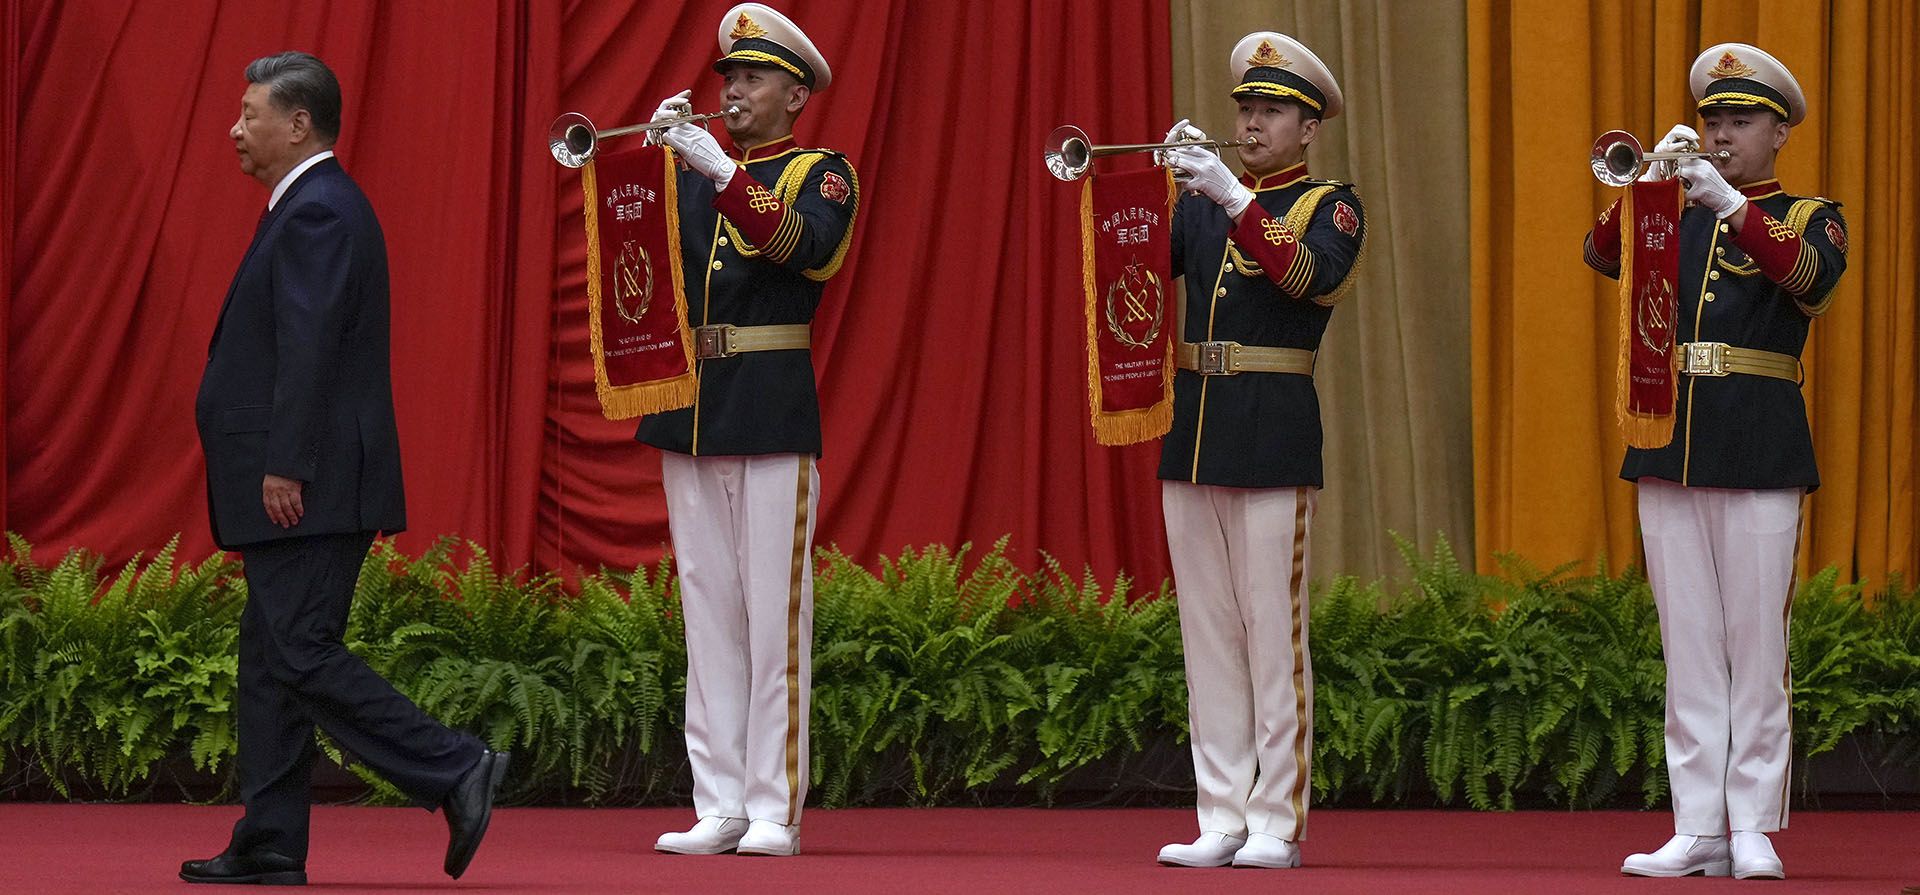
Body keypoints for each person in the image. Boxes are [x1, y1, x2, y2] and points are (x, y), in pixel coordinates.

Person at [184, 51, 507, 886]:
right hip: (305, 479)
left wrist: (285, 461)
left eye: (250, 112)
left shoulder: (319, 210)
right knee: (271, 657)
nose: (235, 127)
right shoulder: (306, 206)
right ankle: (273, 839)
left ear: (297, 124)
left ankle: (455, 766)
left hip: (309, 482)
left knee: (298, 650)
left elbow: (311, 347)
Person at [1583, 43, 1847, 881]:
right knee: (1689, 643)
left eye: (1741, 121)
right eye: (1714, 121)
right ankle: (1696, 824)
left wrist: (1729, 202)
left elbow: (1810, 277)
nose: (1723, 135)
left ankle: (1753, 825)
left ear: (1779, 132)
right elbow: (1599, 252)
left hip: (1760, 442)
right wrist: (1648, 181)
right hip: (1669, 441)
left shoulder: (1807, 213)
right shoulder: (1674, 211)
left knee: (1755, 646)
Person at [641, 3, 859, 859]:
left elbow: (803, 247)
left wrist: (717, 169)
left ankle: (775, 803)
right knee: (709, 611)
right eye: (728, 77)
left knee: (775, 615)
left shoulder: (822, 171)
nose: (732, 90)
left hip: (769, 403)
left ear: (794, 93)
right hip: (693, 400)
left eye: (753, 77)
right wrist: (650, 168)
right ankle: (719, 798)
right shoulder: (699, 169)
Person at [1149, 31, 1366, 870]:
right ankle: (1221, 813)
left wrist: (1233, 196)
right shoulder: (1202, 198)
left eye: (1270, 110)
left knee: (1272, 633)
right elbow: (1135, 266)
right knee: (1208, 634)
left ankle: (1275, 817)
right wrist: (1144, 187)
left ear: (1307, 127)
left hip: (1272, 428)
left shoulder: (1329, 203)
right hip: (1195, 426)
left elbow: (1309, 276)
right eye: (1245, 107)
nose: (1251, 122)